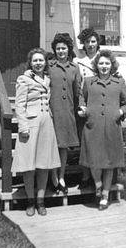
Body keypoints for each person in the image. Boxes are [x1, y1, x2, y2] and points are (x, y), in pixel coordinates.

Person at [78, 50, 126, 210]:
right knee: (94, 162)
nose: (104, 66)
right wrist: (83, 109)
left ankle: (105, 195)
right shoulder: (88, 82)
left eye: (107, 63)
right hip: (92, 126)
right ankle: (98, 185)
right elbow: (82, 97)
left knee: (109, 163)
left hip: (111, 127)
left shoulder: (119, 82)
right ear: (96, 65)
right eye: (101, 63)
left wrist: (120, 112)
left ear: (112, 65)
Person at [11, 48, 60, 217]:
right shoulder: (24, 79)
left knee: (43, 165)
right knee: (28, 166)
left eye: (41, 60)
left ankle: (41, 201)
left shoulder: (47, 79)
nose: (38, 63)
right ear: (30, 63)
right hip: (30, 125)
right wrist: (22, 126)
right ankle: (30, 201)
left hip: (46, 124)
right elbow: (19, 105)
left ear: (45, 62)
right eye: (35, 61)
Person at [48, 33, 81, 194]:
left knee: (63, 146)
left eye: (64, 48)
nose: (61, 51)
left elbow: (78, 92)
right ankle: (53, 175)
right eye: (58, 48)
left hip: (67, 111)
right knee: (52, 144)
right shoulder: (49, 66)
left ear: (69, 50)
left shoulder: (74, 68)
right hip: (51, 110)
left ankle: (61, 176)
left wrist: (79, 108)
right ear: (54, 50)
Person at [74, 27, 100, 188]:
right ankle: (85, 176)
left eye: (93, 41)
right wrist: (81, 105)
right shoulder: (79, 62)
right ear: (83, 44)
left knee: (98, 142)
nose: (90, 45)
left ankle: (97, 176)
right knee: (85, 141)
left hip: (100, 105)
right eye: (87, 42)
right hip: (86, 105)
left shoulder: (104, 60)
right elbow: (78, 86)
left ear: (98, 43)